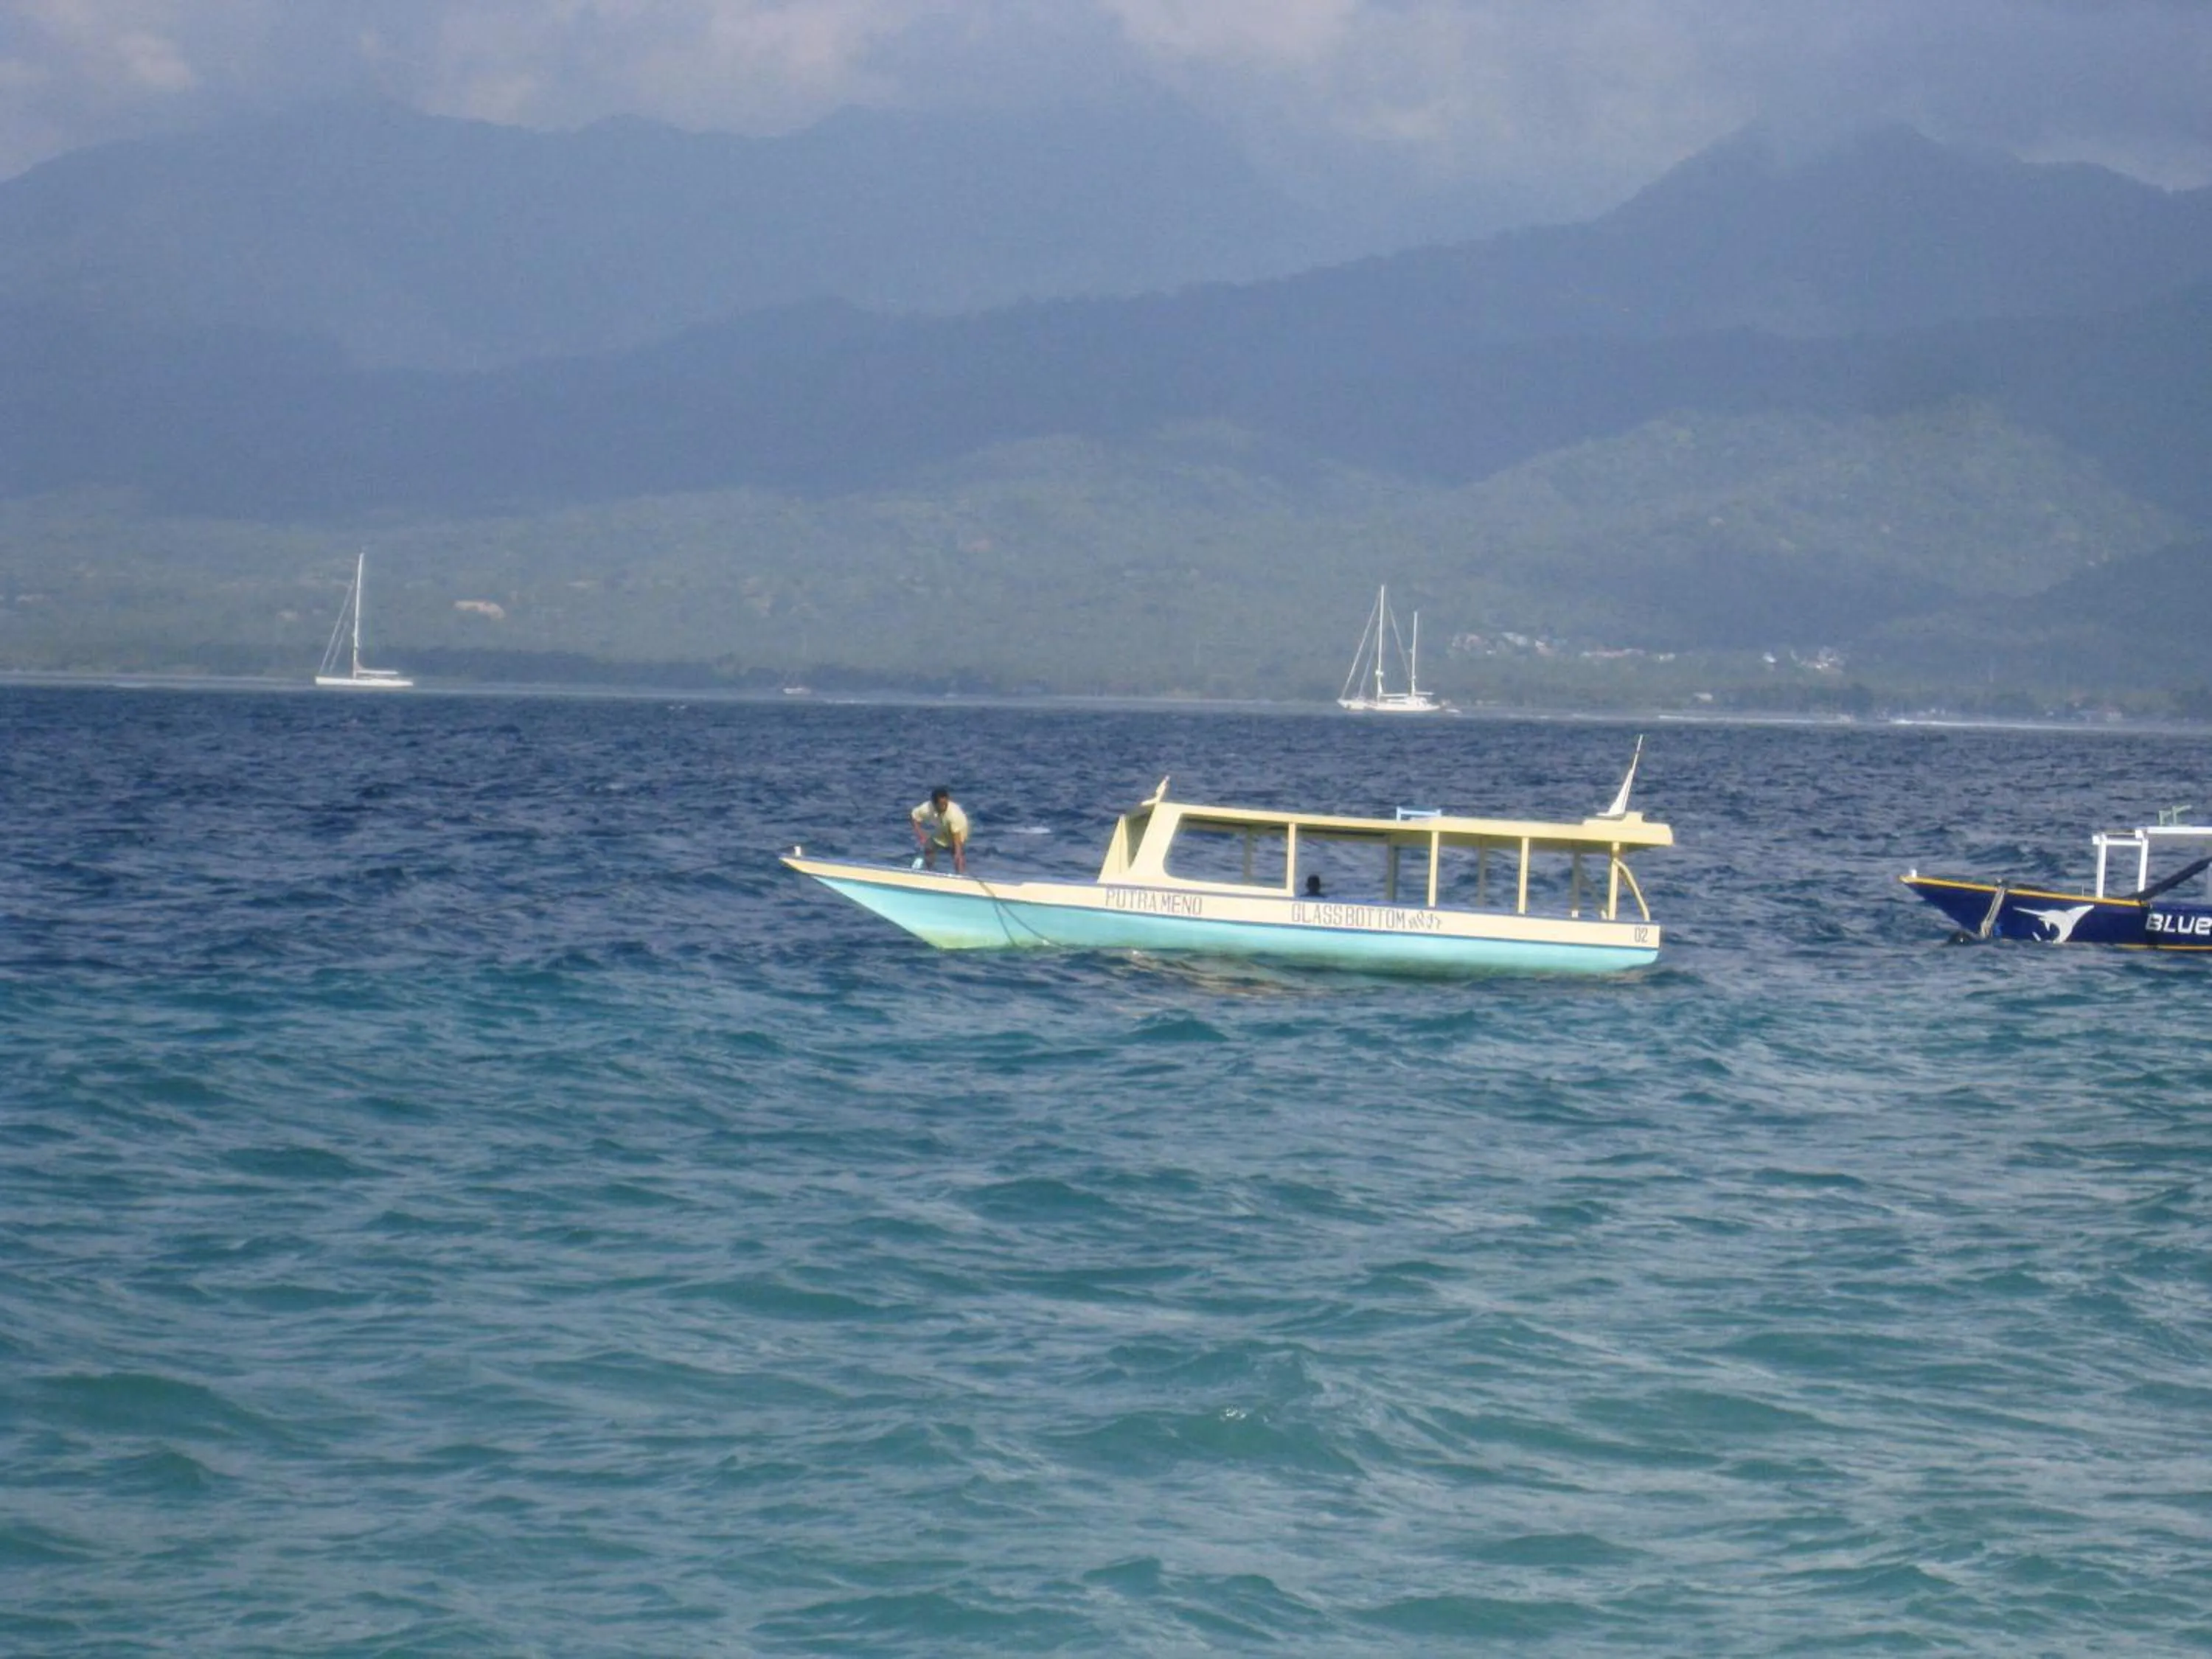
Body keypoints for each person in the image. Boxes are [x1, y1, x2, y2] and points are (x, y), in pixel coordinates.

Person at [911, 787, 970, 874]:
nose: (944, 806)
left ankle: (960, 875)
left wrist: (958, 852)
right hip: (942, 829)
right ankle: (929, 872)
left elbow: (956, 835)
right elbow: (914, 817)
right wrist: (921, 835)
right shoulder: (927, 808)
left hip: (959, 830)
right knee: (929, 847)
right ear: (934, 804)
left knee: (958, 854)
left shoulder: (954, 814)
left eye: (946, 804)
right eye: (941, 804)